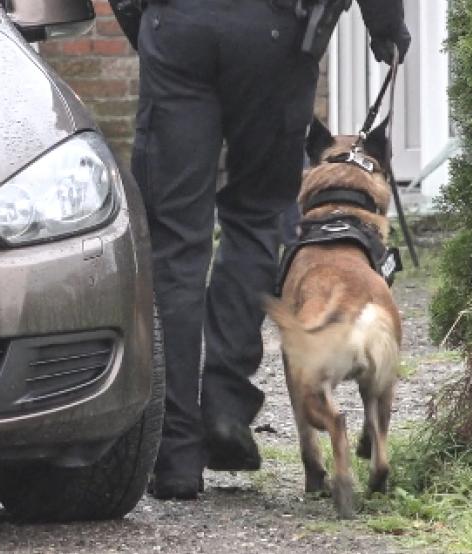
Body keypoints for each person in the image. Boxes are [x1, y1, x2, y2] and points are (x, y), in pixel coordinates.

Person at [117, 0, 411, 500]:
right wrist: (385, 25)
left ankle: (176, 454)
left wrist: (149, 26)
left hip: (179, 27)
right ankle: (225, 406)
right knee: (255, 219)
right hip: (275, 35)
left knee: (175, 242)